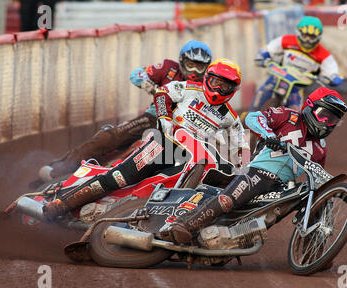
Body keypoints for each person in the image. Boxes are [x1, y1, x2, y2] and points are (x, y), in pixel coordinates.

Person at [42, 58, 251, 220]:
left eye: (225, 87)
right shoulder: (188, 88)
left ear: (232, 90)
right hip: (162, 144)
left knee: (165, 194)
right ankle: (62, 203)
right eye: (216, 82)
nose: (218, 89)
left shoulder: (230, 116)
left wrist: (244, 167)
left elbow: (240, 144)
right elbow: (162, 94)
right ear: (207, 78)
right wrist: (164, 117)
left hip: (187, 160)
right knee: (120, 177)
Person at [161, 87, 347, 244]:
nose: (327, 123)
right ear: (309, 107)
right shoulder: (289, 116)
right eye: (323, 115)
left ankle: (314, 247)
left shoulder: (321, 148)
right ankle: (185, 225)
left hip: (282, 187)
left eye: (333, 120)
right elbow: (253, 117)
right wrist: (268, 135)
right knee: (228, 200)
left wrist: (336, 189)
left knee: (315, 195)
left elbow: (317, 174)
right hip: (259, 172)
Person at [42, 40, 213, 180]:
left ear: (207, 68)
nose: (194, 71)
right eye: (191, 65)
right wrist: (147, 83)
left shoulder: (208, 85)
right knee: (113, 136)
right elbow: (137, 73)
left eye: (199, 67)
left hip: (185, 129)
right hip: (155, 117)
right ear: (182, 61)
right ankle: (62, 167)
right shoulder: (168, 67)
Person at [250, 16, 344, 112]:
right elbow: (268, 49)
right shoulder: (286, 40)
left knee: (295, 113)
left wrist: (333, 78)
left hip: (297, 87)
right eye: (305, 35)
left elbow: (332, 71)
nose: (307, 40)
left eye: (312, 37)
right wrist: (262, 56)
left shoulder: (324, 55)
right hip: (278, 77)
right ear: (299, 33)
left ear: (318, 37)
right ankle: (248, 116)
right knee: (263, 92)